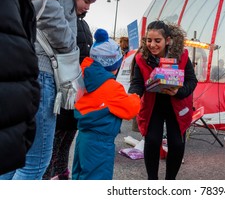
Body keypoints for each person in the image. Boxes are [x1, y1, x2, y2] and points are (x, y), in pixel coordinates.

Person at [0, 0, 80, 177]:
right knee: (35, 162)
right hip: (43, 68)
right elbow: (51, 13)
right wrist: (70, 43)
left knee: (11, 157)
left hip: (20, 57)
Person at [43, 0, 100, 180]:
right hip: (60, 89)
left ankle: (61, 173)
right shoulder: (63, 21)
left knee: (67, 138)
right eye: (86, 1)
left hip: (75, 92)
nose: (88, 7)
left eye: (91, 3)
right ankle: (48, 177)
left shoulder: (84, 26)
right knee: (53, 140)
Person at [128, 20, 198, 180]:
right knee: (152, 141)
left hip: (177, 105)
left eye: (157, 40)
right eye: (149, 40)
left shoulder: (182, 56)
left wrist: (178, 91)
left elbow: (192, 81)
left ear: (168, 40)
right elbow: (137, 83)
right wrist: (133, 96)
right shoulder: (141, 58)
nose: (152, 45)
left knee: (176, 143)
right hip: (154, 106)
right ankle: (152, 181)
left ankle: (170, 182)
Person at [72, 29, 140, 180]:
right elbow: (130, 109)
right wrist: (136, 96)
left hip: (83, 137)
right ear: (114, 66)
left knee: (80, 176)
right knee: (97, 178)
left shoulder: (85, 77)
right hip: (100, 144)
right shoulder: (111, 87)